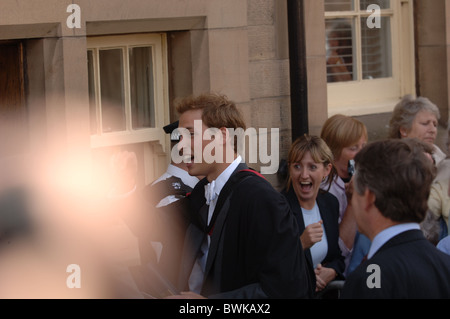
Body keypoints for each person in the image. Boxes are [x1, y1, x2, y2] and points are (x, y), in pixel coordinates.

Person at [169, 93, 312, 299]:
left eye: (191, 134)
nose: (180, 146)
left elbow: (284, 292)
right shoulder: (201, 193)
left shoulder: (262, 200)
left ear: (223, 136)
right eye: (180, 136)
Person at [341, 139, 450, 298]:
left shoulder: (367, 280)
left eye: (354, 193)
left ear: (369, 197)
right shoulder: (445, 267)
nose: (352, 201)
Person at [281, 135, 345, 297]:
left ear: (327, 170)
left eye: (312, 167)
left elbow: (337, 257)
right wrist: (300, 244)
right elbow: (269, 265)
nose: (303, 175)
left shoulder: (330, 203)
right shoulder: (278, 209)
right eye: (297, 166)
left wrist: (332, 271)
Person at [320, 114, 368, 274]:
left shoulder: (368, 178)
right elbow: (339, 249)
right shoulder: (324, 189)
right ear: (333, 152)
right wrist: (353, 201)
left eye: (364, 146)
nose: (361, 154)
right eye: (353, 148)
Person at [389, 94, 446, 165]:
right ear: (404, 130)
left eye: (435, 125)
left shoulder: (437, 152)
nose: (433, 130)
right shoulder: (393, 161)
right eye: (425, 123)